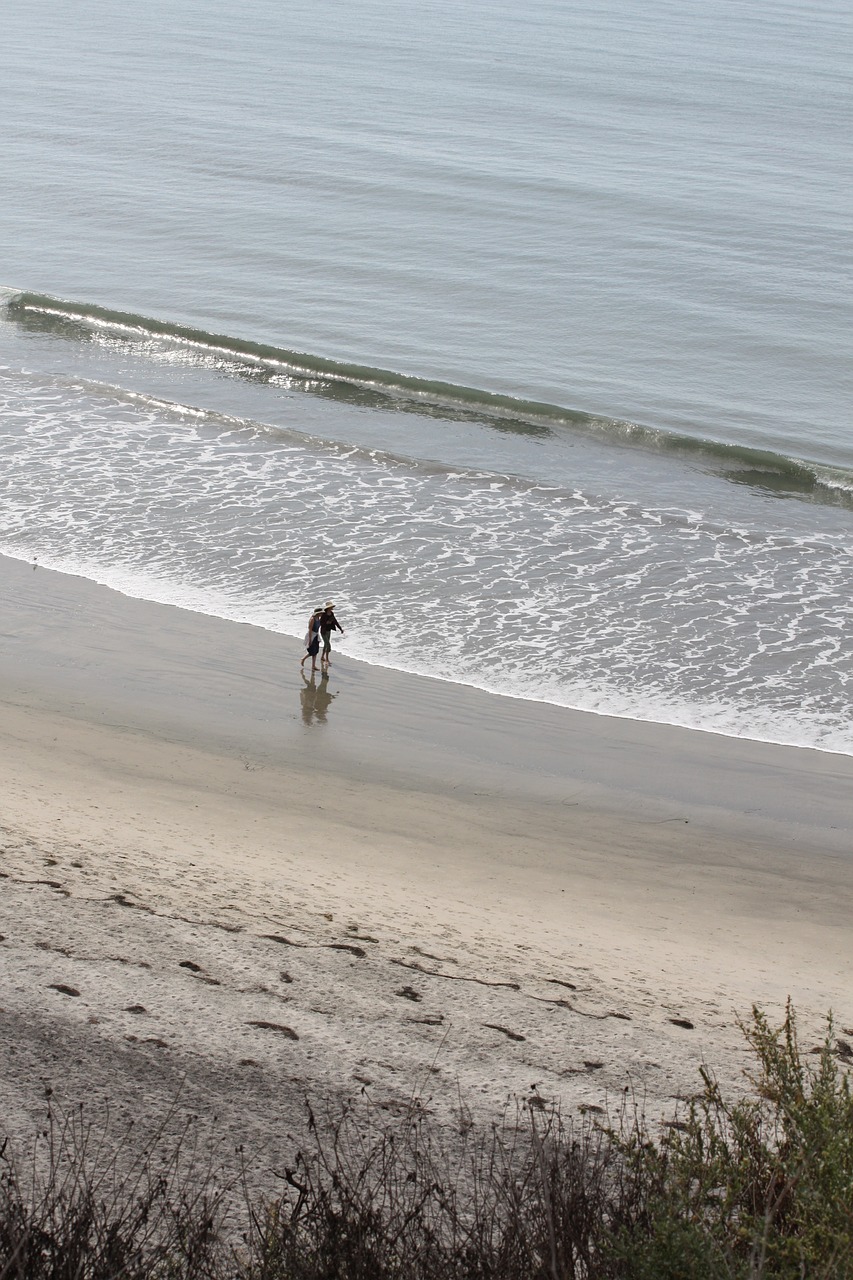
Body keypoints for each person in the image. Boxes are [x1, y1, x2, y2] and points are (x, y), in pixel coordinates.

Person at [319, 601, 344, 667]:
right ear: (328, 608)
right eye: (331, 607)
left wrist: (340, 628)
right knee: (328, 645)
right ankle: (327, 659)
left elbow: (335, 621)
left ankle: (322, 657)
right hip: (323, 631)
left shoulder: (332, 613)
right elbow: (321, 623)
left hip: (328, 631)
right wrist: (326, 623)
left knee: (325, 644)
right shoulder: (324, 614)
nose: (332, 608)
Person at [300, 607, 323, 672]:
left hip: (316, 635)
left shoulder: (318, 618)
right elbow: (310, 630)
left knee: (316, 651)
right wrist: (310, 640)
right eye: (321, 613)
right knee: (312, 651)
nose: (322, 614)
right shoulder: (312, 619)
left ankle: (313, 665)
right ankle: (303, 659)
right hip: (312, 635)